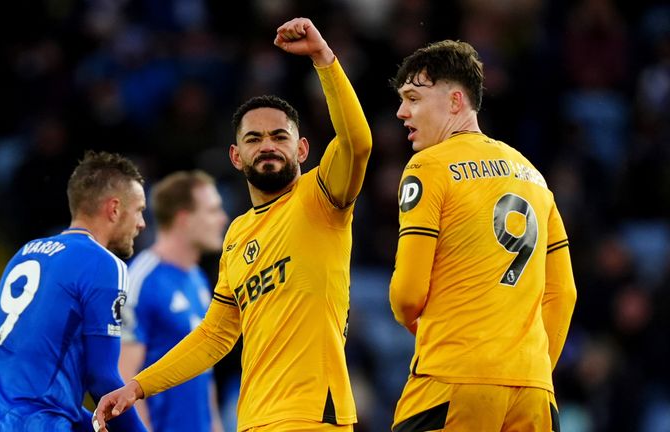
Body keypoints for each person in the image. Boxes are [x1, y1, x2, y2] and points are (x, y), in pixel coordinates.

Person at [94, 16, 372, 432]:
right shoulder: (238, 235)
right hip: (253, 419)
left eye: (279, 136)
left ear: (302, 148)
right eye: (254, 139)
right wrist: (137, 387)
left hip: (315, 415)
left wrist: (322, 58)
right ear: (236, 157)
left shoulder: (322, 198)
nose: (268, 146)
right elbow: (214, 337)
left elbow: (357, 142)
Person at [387, 40, 577, 431]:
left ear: (455, 102)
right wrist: (532, 369)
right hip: (534, 392)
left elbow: (407, 295)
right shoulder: (535, 178)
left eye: (413, 98)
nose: (401, 112)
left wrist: (415, 323)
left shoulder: (429, 166)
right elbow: (564, 293)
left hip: (454, 381)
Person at [0, 151, 148, 432]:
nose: (142, 223)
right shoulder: (104, 264)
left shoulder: (24, 254)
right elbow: (103, 379)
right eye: (139, 210)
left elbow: (32, 384)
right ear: (114, 208)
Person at [119, 170, 229, 431]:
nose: (223, 218)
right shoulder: (141, 280)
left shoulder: (198, 280)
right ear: (184, 219)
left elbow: (204, 372)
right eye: (213, 210)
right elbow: (123, 381)